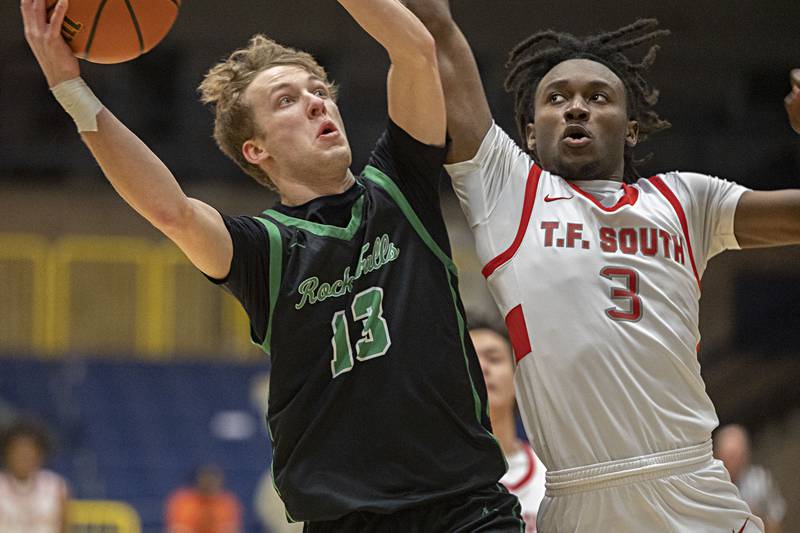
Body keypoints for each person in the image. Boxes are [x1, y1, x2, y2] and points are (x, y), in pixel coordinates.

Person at [21, 0, 523, 529]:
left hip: (468, 507)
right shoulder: (265, 249)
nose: (316, 104)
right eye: (287, 100)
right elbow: (171, 210)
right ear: (255, 149)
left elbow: (416, 49)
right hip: (348, 520)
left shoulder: (400, 185)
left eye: (320, 92)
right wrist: (68, 88)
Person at [402, 1, 800, 531]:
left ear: (631, 129)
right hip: (575, 497)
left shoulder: (686, 200)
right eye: (556, 98)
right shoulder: (508, 192)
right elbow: (436, 29)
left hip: (690, 486)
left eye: (598, 97)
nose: (575, 107)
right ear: (527, 131)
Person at [469, 317, 546, 532]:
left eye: (493, 358)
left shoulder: (550, 472)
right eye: (471, 361)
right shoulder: (438, 481)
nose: (482, 367)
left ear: (518, 377)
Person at [0, 419, 70, 533]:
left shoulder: (56, 486)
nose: (23, 457)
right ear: (7, 454)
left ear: (40, 455)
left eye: (29, 452)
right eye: (18, 452)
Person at [715, 425, 787, 533]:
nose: (734, 462)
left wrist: (757, 518)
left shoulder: (759, 480)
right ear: (718, 455)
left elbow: (776, 520)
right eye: (729, 456)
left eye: (738, 456)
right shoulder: (710, 484)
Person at [165, 464, 243, 533]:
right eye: (206, 479)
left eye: (213, 479)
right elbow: (179, 528)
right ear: (198, 480)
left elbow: (230, 528)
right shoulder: (183, 501)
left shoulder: (227, 502)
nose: (209, 482)